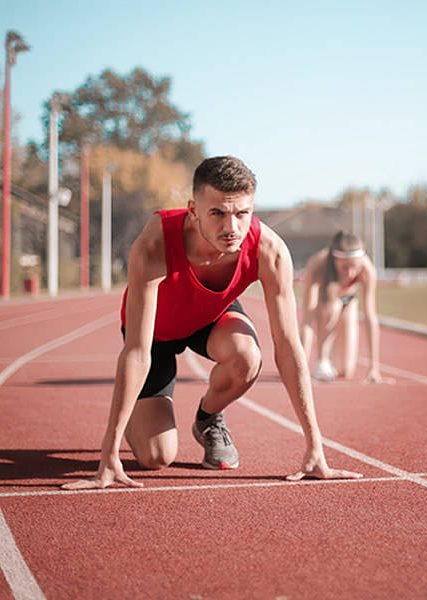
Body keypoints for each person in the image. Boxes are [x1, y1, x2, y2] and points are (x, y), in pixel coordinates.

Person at [63, 156, 362, 490]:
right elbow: (136, 350)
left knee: (248, 357)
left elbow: (289, 347)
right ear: (193, 210)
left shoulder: (270, 251)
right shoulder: (155, 243)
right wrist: (109, 454)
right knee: (156, 457)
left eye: (242, 213)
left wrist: (315, 447)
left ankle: (208, 418)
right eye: (217, 213)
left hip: (210, 319)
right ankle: (136, 414)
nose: (231, 227)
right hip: (156, 334)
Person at [299, 231, 382, 383]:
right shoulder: (318, 265)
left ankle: (333, 360)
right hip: (325, 302)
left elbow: (370, 317)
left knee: (345, 371)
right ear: (335, 260)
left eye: (354, 267)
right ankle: (322, 360)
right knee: (333, 308)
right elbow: (307, 319)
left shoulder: (367, 269)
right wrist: (300, 365)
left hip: (349, 301)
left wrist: (373, 368)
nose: (350, 274)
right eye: (345, 268)